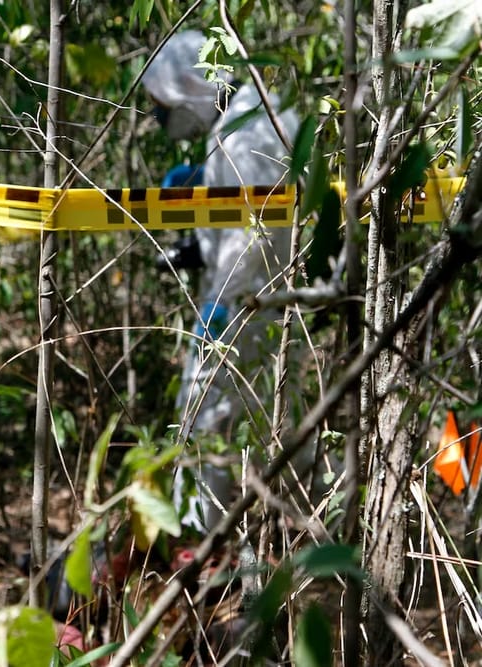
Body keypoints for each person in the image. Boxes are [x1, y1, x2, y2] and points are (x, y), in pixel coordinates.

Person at [141, 30, 300, 531]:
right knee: (273, 412)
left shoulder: (245, 129)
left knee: (202, 410)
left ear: (190, 84)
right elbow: (243, 213)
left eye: (165, 103)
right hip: (266, 296)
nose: (164, 117)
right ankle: (289, 530)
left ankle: (193, 536)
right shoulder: (244, 116)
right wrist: (200, 237)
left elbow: (253, 233)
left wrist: (220, 303)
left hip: (247, 298)